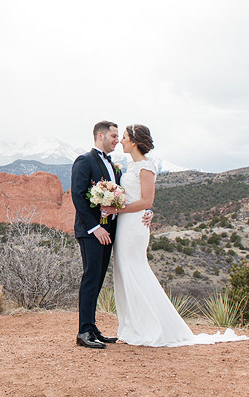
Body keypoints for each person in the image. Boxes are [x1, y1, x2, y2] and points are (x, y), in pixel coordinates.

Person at [102, 124, 248, 346]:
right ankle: (132, 327)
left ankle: (152, 327)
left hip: (134, 226)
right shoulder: (130, 166)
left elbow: (146, 202)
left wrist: (117, 209)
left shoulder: (146, 167)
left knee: (135, 270)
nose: (121, 141)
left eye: (124, 137)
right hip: (125, 224)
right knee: (124, 272)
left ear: (134, 141)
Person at [72, 121, 152, 349]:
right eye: (114, 136)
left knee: (97, 279)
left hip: (111, 231)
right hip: (92, 232)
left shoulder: (114, 166)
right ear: (100, 135)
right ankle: (83, 331)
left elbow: (132, 196)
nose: (117, 140)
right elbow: (78, 196)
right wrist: (93, 228)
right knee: (90, 278)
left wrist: (148, 210)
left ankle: (92, 327)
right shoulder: (84, 161)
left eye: (119, 137)